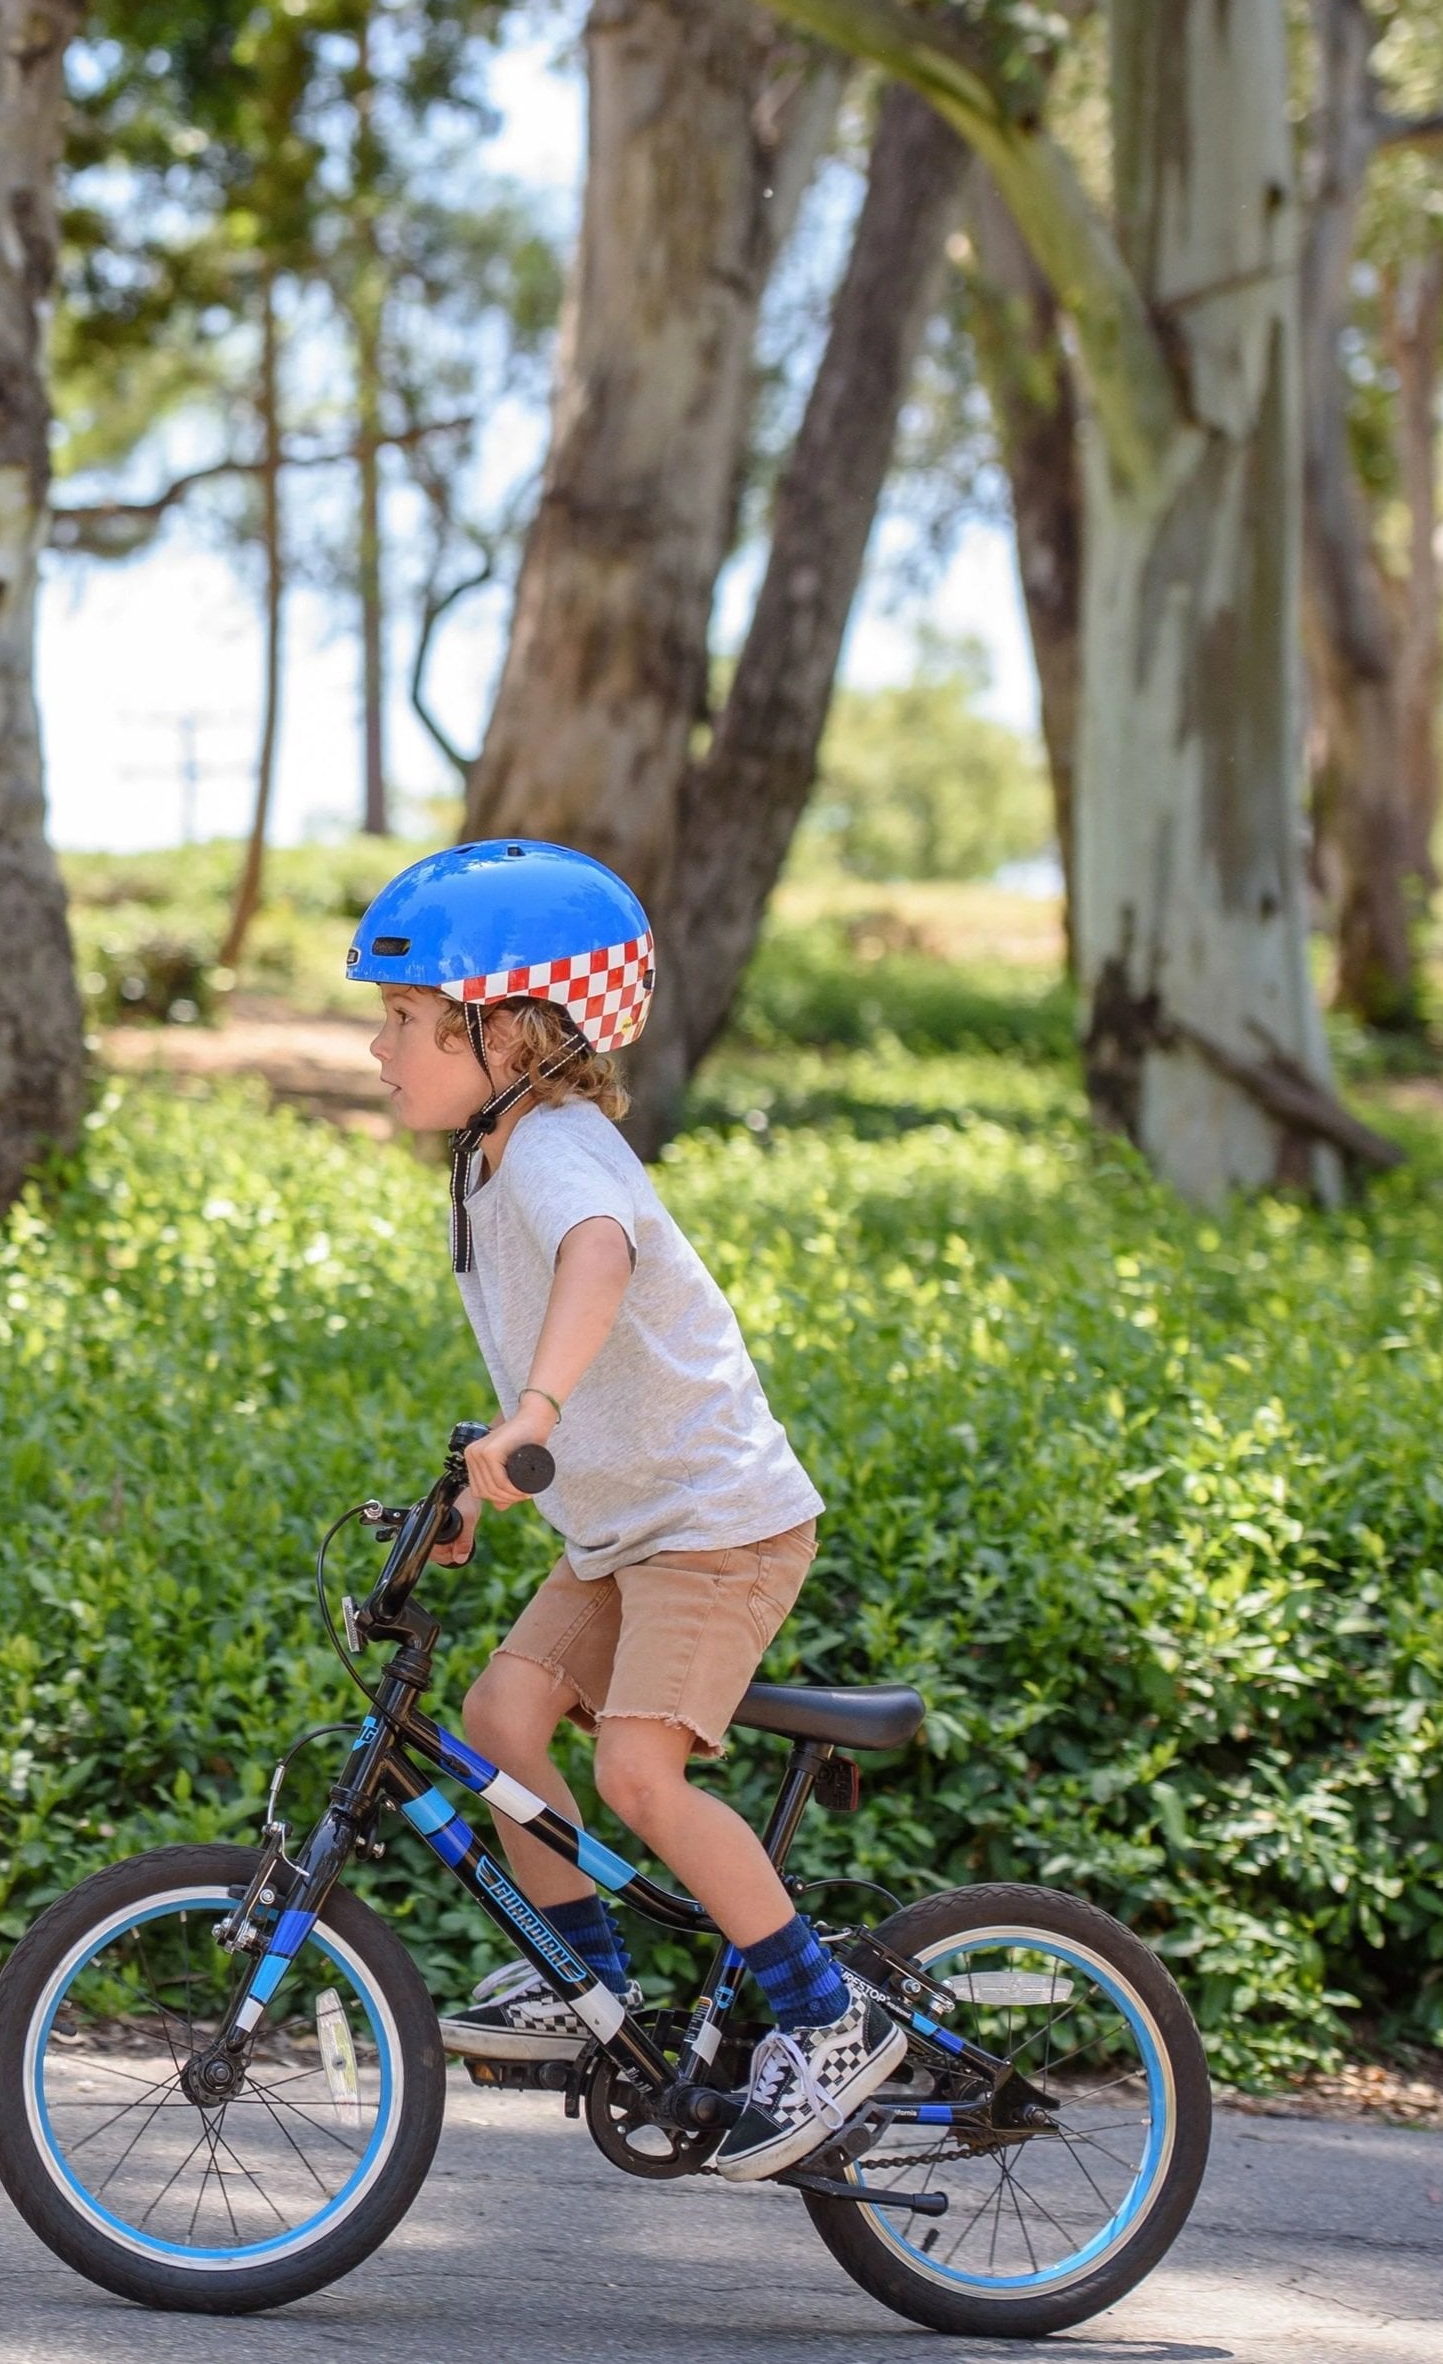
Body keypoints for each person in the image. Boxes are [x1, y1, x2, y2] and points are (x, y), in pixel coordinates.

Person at [344, 838, 903, 2184]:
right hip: (627, 1528)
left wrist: (531, 1416)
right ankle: (579, 1980)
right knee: (495, 1719)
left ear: (514, 1030)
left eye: (406, 1020)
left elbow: (602, 1254)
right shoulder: (498, 1155)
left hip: (714, 1525)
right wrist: (493, 1455)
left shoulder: (551, 1151)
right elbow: (572, 1336)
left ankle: (830, 2021)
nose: (377, 1048)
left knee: (637, 1773)